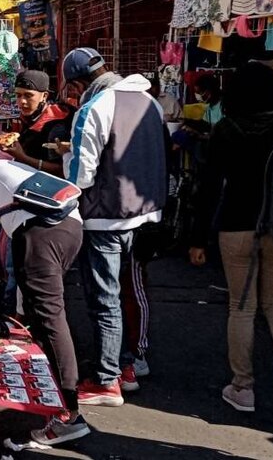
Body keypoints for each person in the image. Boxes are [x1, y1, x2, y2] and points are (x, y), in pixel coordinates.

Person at [188, 62, 273, 421]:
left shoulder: (226, 130)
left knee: (242, 309)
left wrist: (198, 239)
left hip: (237, 228)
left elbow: (208, 189)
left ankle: (243, 388)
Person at [61, 48, 167, 405]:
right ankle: (128, 364)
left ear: (77, 84)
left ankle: (106, 381)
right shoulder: (149, 102)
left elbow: (81, 175)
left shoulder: (94, 108)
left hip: (105, 218)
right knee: (130, 291)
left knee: (104, 298)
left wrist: (65, 155)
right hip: (146, 214)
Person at [0, 159, 89, 446]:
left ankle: (69, 413)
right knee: (42, 312)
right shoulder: (20, 172)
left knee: (50, 317)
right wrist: (20, 307)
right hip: (71, 227)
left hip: (41, 234)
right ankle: (54, 397)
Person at [2, 70, 73, 177]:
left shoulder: (56, 126)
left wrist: (22, 158)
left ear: (44, 96)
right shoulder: (31, 118)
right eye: (18, 95)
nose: (22, 101)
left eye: (28, 95)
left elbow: (63, 170)